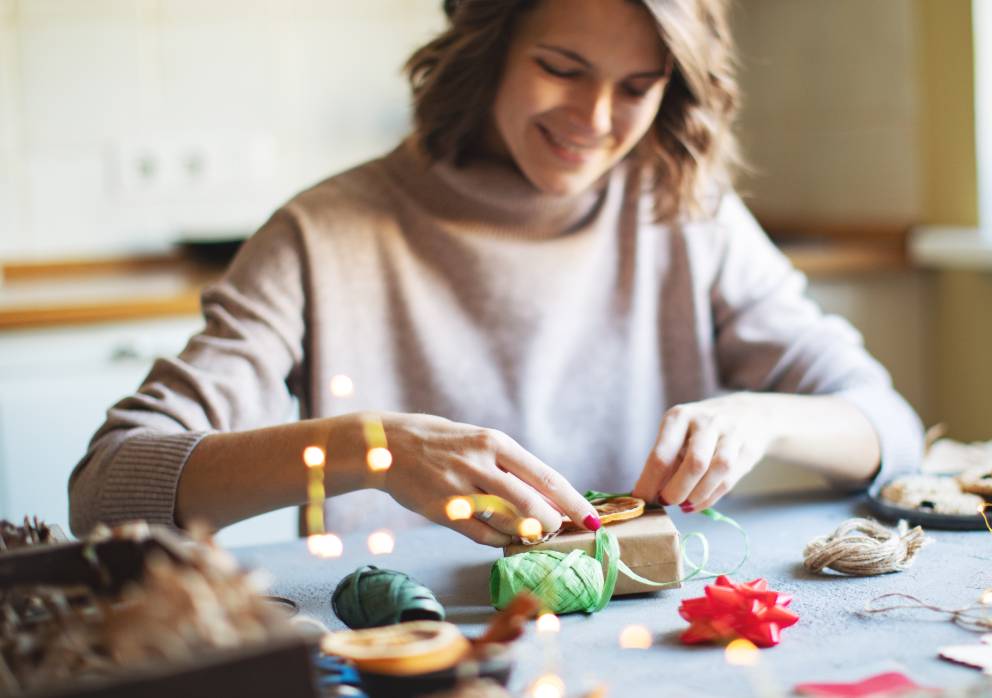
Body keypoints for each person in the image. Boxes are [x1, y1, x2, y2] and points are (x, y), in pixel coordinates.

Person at [69, 0, 924, 546]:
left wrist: (762, 419)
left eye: (637, 86)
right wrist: (372, 449)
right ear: (488, 49)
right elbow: (106, 490)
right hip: (414, 652)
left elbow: (892, 430)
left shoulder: (682, 212)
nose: (594, 121)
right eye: (561, 68)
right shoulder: (321, 233)